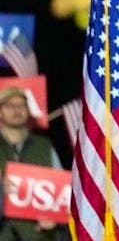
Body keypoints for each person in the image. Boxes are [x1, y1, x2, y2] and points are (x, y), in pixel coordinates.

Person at [0, 86, 65, 241]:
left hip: (37, 235)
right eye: (10, 106)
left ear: (28, 111)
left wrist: (54, 218)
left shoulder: (44, 145)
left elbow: (61, 190)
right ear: (0, 111)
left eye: (21, 105)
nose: (16, 110)